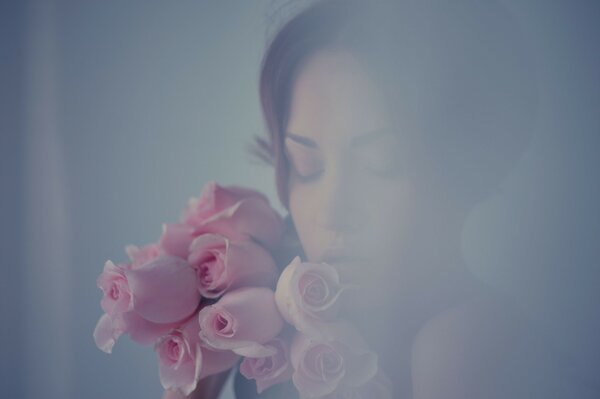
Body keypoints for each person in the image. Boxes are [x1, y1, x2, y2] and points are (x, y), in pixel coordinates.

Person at [164, 0, 538, 397]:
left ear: (468, 166)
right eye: (306, 167)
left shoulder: (467, 348)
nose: (333, 211)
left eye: (383, 163)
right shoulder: (269, 324)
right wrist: (194, 372)